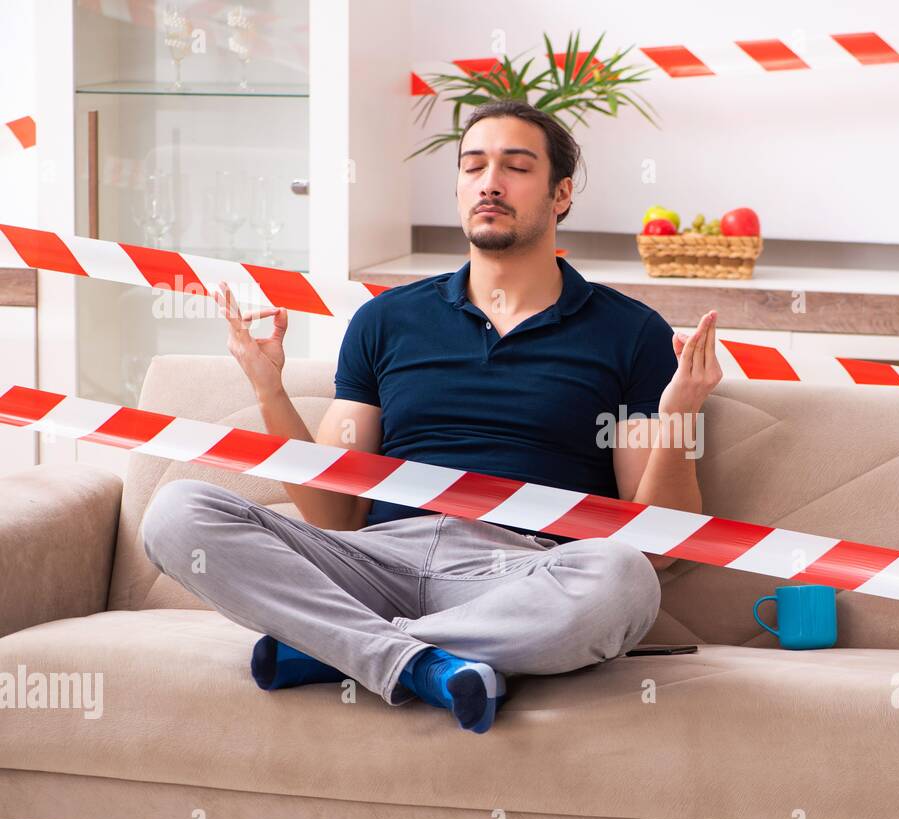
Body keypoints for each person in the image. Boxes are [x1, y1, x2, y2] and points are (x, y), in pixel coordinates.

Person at [140, 99, 722, 734]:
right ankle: (424, 663)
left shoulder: (627, 332)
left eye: (515, 167)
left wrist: (679, 415)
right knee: (177, 511)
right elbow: (338, 514)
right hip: (374, 563)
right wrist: (268, 390)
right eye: (473, 167)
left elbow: (660, 545)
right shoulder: (387, 320)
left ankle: (344, 650)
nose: (490, 183)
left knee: (625, 579)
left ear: (561, 194)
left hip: (520, 574)